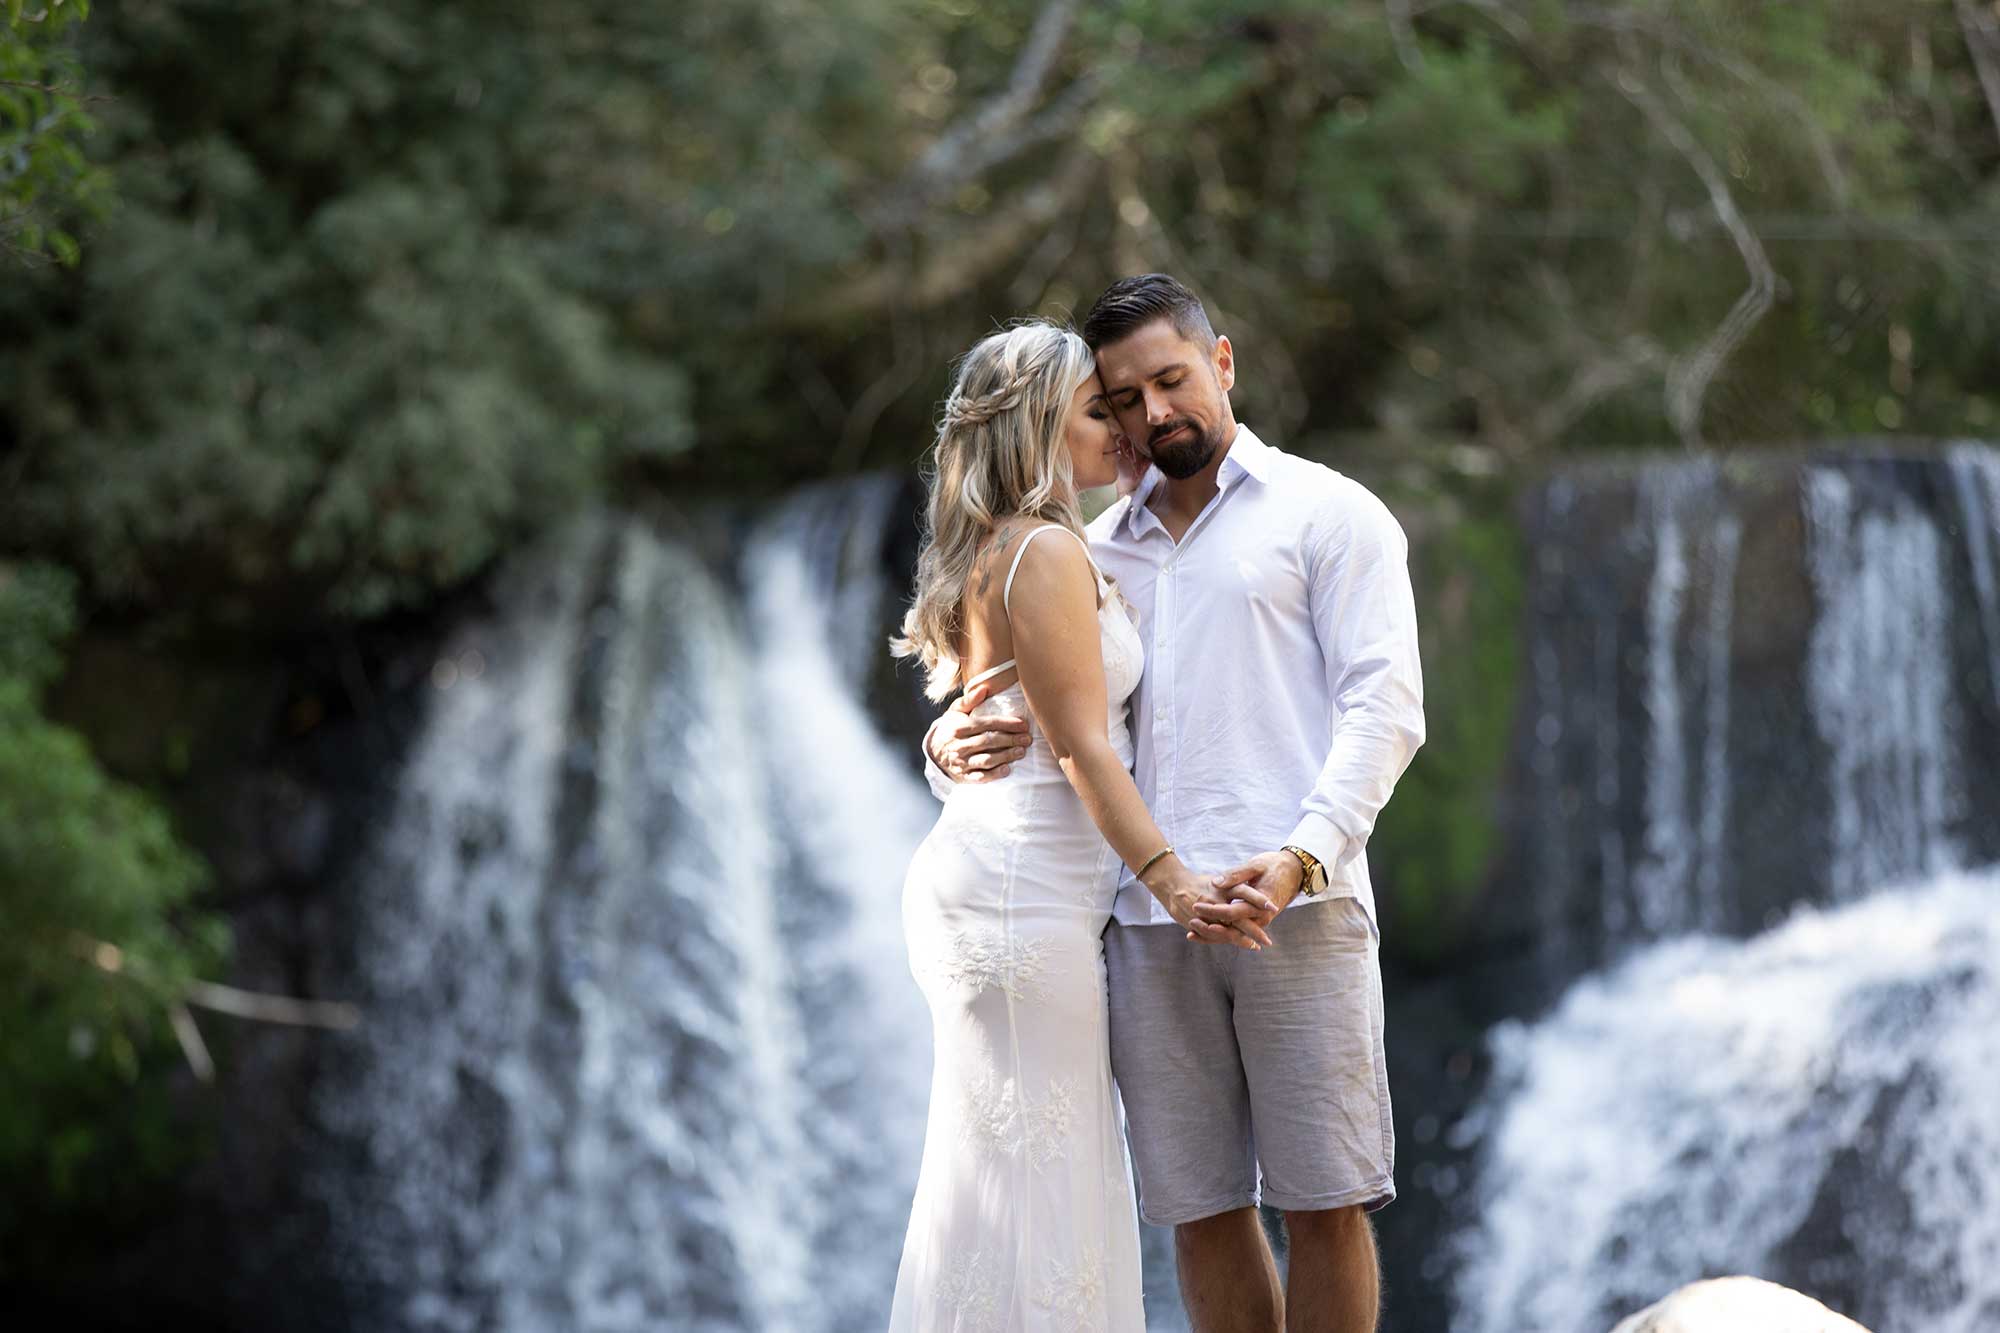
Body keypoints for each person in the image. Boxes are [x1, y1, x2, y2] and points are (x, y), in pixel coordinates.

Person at [923, 275, 1426, 1333]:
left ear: (1222, 363)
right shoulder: (1088, 550)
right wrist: (946, 738)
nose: (1149, 413)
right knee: (1199, 1211)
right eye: (1116, 399)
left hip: (1295, 902)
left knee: (1323, 1200)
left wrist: (1299, 858)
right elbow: (1028, 713)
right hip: (1140, 922)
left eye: (1170, 379)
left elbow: (1385, 712)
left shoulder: (1328, 515)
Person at [886, 319, 1268, 1332]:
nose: (1126, 428)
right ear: (1036, 428)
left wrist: (937, 748)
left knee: (1010, 1182)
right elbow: (1079, 748)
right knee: (1040, 1182)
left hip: (1004, 886)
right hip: (1020, 902)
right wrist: (1174, 880)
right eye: (1097, 411)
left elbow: (995, 715)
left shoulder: (1010, 546)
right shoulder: (1046, 549)